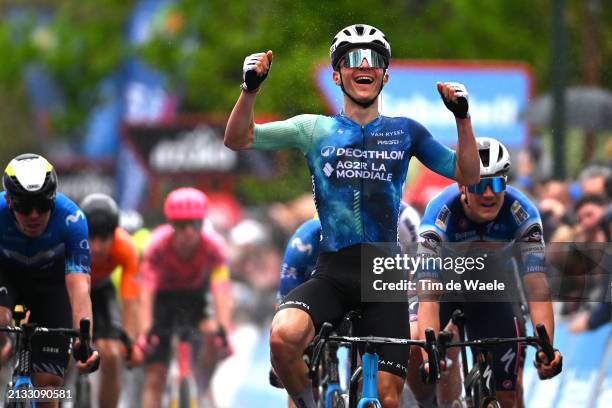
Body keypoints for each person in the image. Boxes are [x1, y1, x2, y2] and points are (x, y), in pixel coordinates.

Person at [224, 23, 480, 408]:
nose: (365, 65)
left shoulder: (406, 131)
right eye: (353, 60)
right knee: (282, 337)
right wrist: (250, 89)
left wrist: (463, 118)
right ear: (337, 75)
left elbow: (468, 174)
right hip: (333, 271)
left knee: (387, 400)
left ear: (386, 75)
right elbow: (238, 138)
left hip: (383, 275)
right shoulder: (314, 128)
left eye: (374, 60)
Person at [415, 138, 563, 408]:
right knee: (419, 344)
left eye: (496, 184)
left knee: (508, 393)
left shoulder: (522, 213)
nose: (488, 194)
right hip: (443, 287)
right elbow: (428, 292)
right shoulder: (440, 213)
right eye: (479, 185)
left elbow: (536, 284)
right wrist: (429, 357)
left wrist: (546, 348)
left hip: (494, 290)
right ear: (462, 186)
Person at [0, 153, 99, 408]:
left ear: (53, 199)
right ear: (9, 201)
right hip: (5, 279)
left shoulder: (72, 220)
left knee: (47, 384)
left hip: (50, 287)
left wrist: (84, 341)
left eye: (42, 205)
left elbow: (79, 287)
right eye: (24, 206)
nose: (34, 215)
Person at [138, 187, 233, 408]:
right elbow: (146, 290)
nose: (189, 232)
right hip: (162, 299)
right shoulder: (157, 246)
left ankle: (202, 382)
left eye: (196, 224)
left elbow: (221, 289)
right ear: (171, 225)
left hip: (195, 296)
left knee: (212, 332)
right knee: (155, 377)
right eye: (181, 225)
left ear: (203, 224)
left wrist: (224, 331)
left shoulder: (214, 246)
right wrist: (145, 331)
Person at [79, 193, 142, 408]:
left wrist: (131, 344)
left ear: (114, 234)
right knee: (64, 354)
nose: (96, 247)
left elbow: (130, 300)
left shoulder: (126, 248)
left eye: (103, 239)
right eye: (91, 238)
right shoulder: (68, 242)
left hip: (101, 291)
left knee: (113, 355)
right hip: (69, 290)